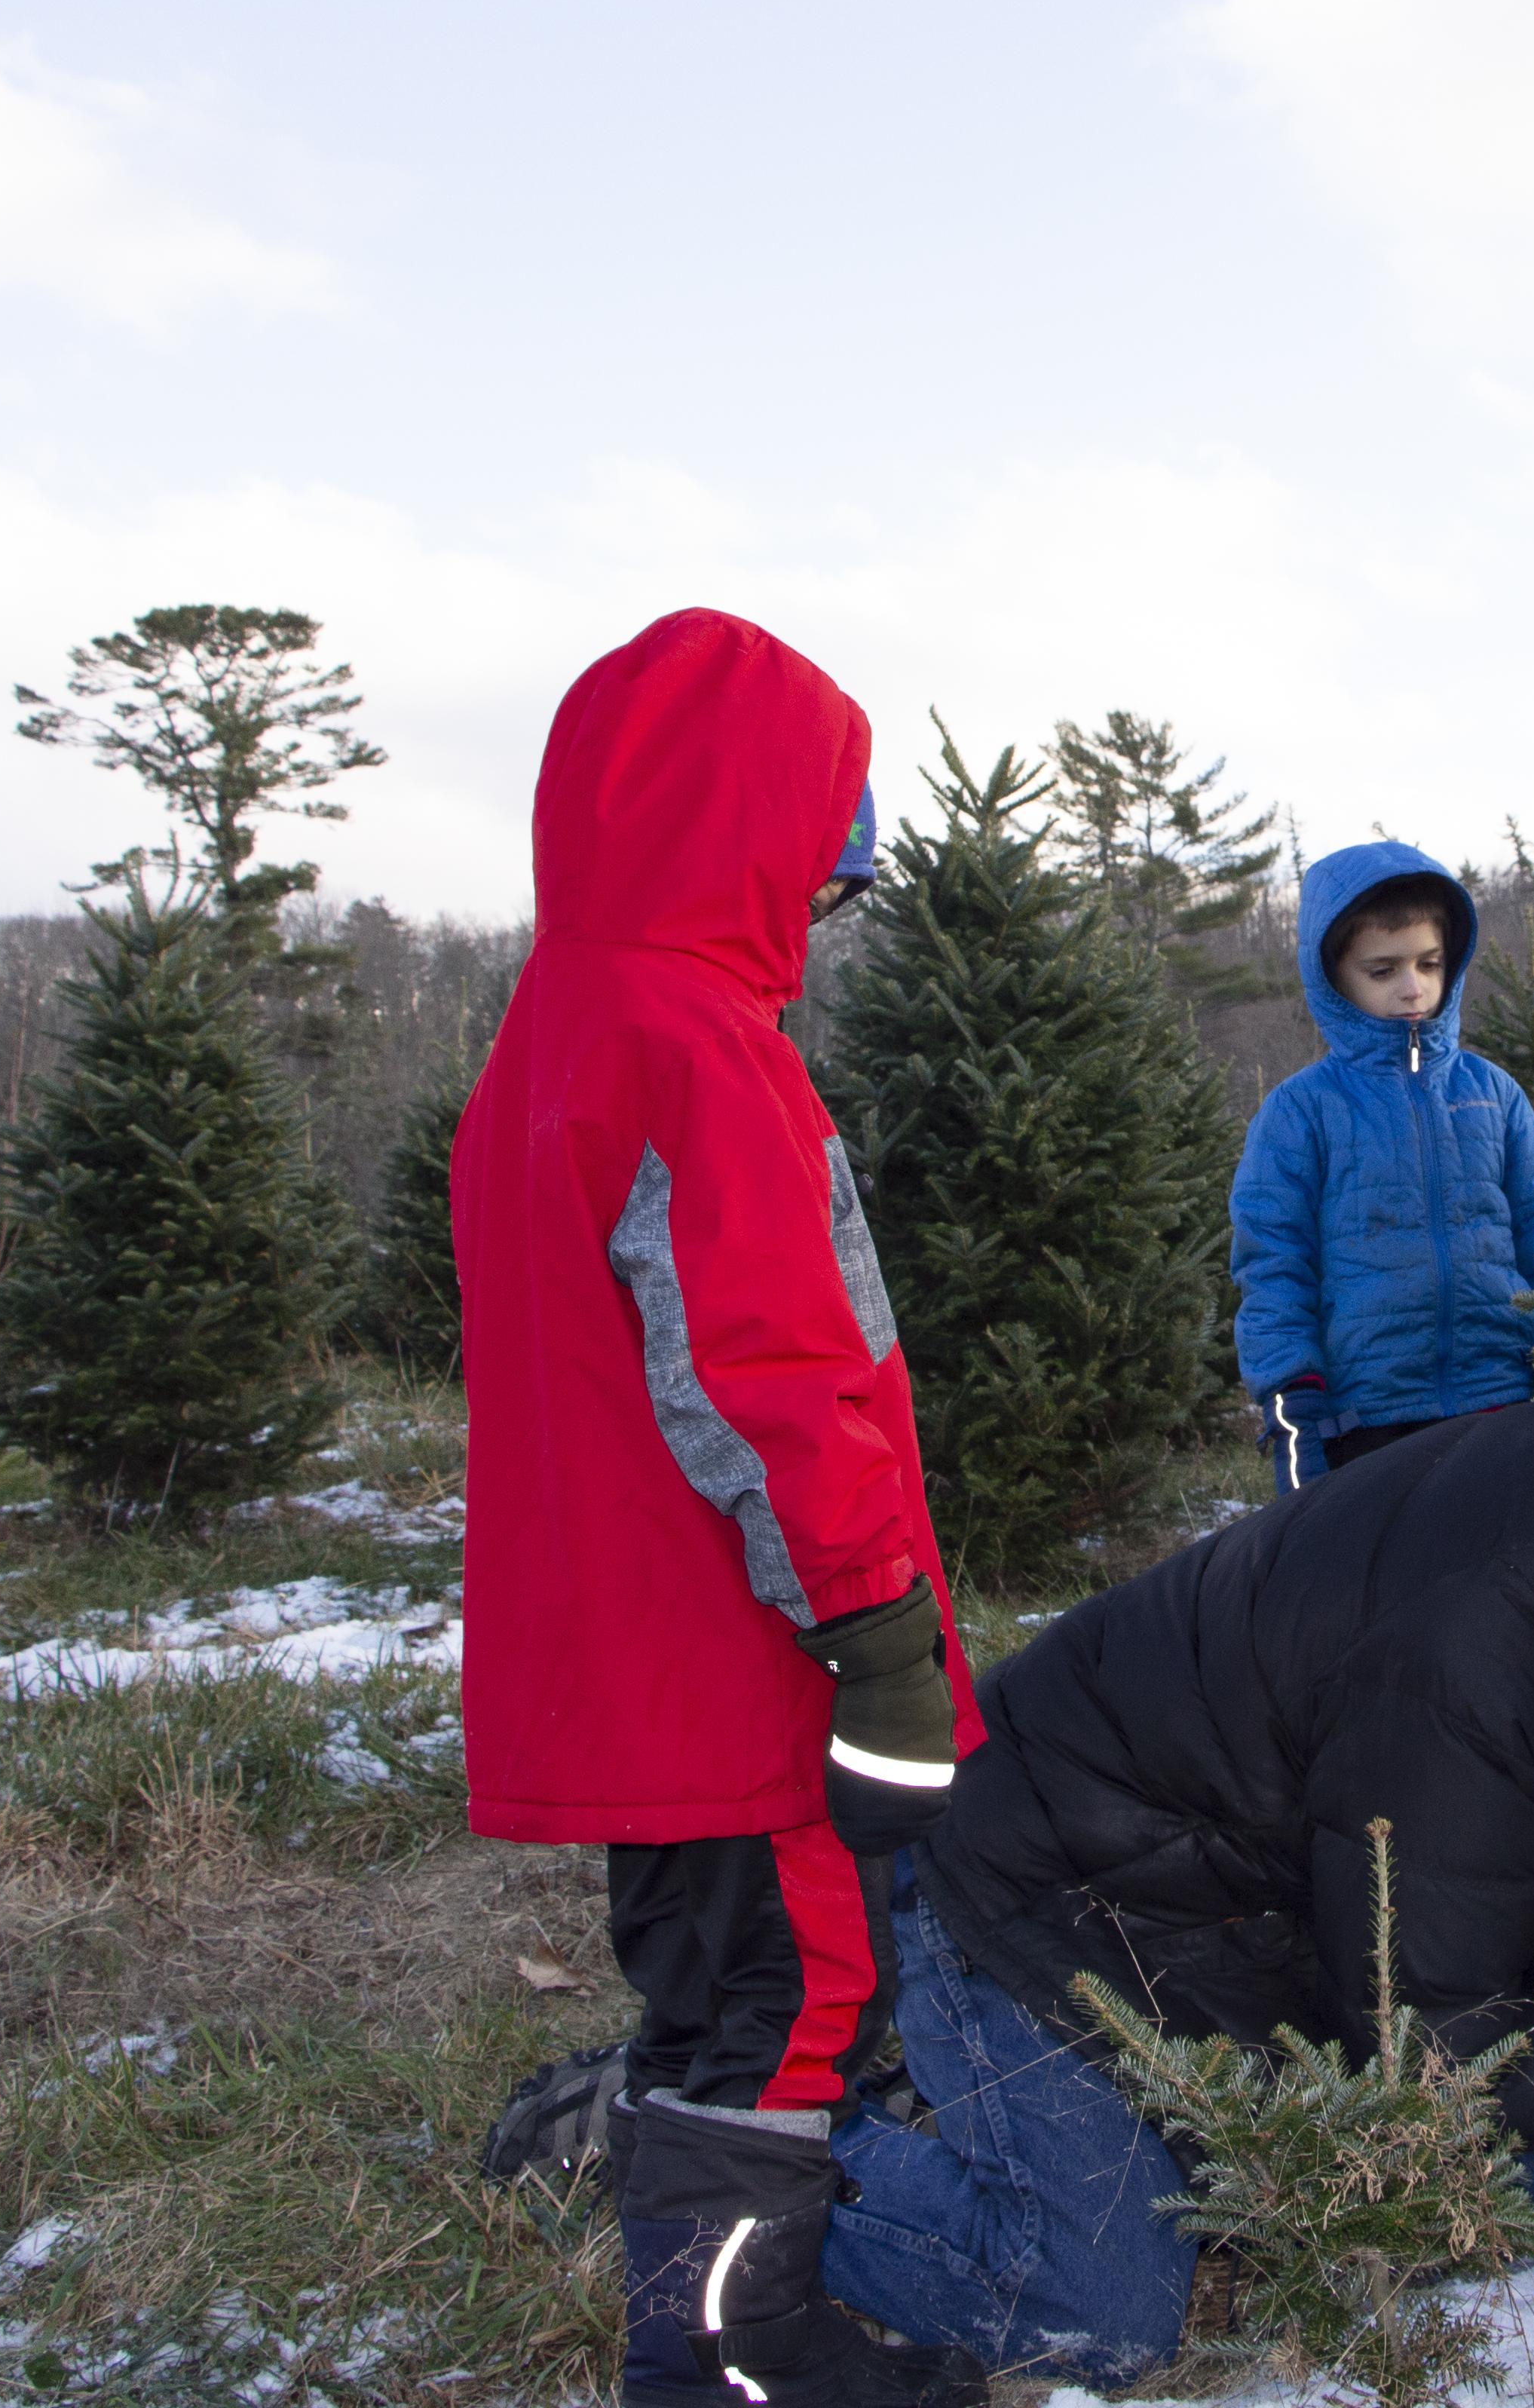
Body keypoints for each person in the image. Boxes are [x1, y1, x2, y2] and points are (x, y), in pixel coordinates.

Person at [818, 1406, 1534, 2383]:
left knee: (1520, 2179)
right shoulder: (1479, 1655)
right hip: (1027, 1896)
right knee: (1104, 2314)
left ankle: (1028, 2127)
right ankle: (765, 2162)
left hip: (1215, 1914)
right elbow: (1439, 2051)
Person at [452, 610, 991, 2408]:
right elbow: (763, 1378)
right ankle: (727, 2356)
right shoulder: (697, 1046)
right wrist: (877, 1629)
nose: (819, 920)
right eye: (818, 861)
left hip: (627, 1651)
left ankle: (747, 2317)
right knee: (789, 1989)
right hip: (733, 1652)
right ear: (747, 824)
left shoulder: (554, 1027)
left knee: (718, 1983)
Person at [1231, 841, 1534, 1492]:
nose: (1413, 988)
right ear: (1335, 978)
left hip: (1504, 1397)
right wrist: (1292, 1398)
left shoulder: (1492, 1094)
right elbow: (1273, 1266)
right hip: (1366, 1423)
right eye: (1382, 971)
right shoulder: (1301, 1112)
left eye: (1428, 964)